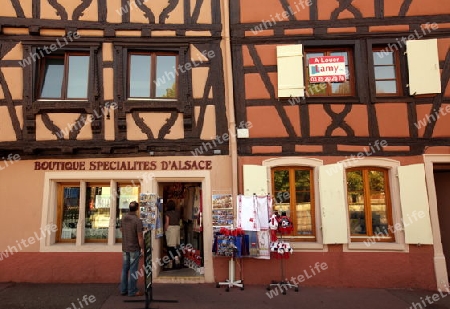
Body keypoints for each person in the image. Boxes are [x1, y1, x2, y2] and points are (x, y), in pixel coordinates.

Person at [120, 201, 144, 297]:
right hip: (134, 248)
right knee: (133, 270)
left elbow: (121, 229)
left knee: (125, 269)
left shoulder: (124, 218)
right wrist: (142, 248)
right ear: (137, 209)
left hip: (125, 247)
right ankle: (132, 290)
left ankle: (123, 289)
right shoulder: (137, 220)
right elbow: (140, 237)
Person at [164, 200, 181, 269]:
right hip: (177, 229)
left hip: (170, 229)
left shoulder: (167, 213)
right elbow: (179, 221)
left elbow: (167, 222)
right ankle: (176, 258)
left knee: (169, 246)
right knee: (174, 246)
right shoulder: (177, 212)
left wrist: (165, 229)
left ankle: (170, 263)